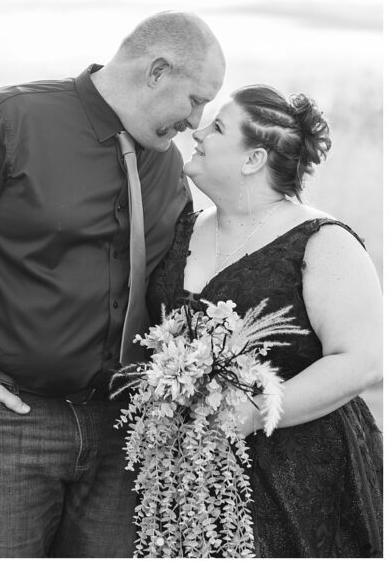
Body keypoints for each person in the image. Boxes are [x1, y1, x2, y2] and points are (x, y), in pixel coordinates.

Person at [0, 11, 226, 557]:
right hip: (8, 423)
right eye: (194, 100)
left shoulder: (167, 166)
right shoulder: (4, 121)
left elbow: (171, 280)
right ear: (156, 71)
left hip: (125, 432)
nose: (196, 121)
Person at [146, 85, 382, 556]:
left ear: (253, 159)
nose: (197, 131)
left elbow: (364, 361)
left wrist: (253, 413)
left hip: (303, 471)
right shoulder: (183, 229)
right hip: (187, 477)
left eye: (216, 127)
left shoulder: (322, 241)